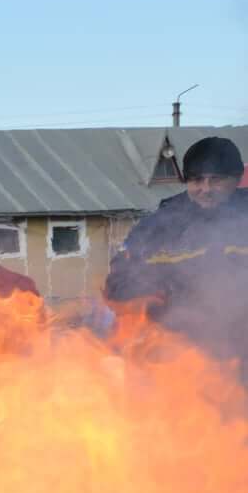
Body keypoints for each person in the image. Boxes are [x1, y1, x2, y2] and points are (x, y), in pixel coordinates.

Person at [106, 136, 248, 366]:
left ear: (237, 178)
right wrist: (151, 296)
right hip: (177, 354)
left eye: (216, 180)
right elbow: (119, 280)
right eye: (197, 180)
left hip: (240, 352)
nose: (205, 189)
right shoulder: (159, 226)